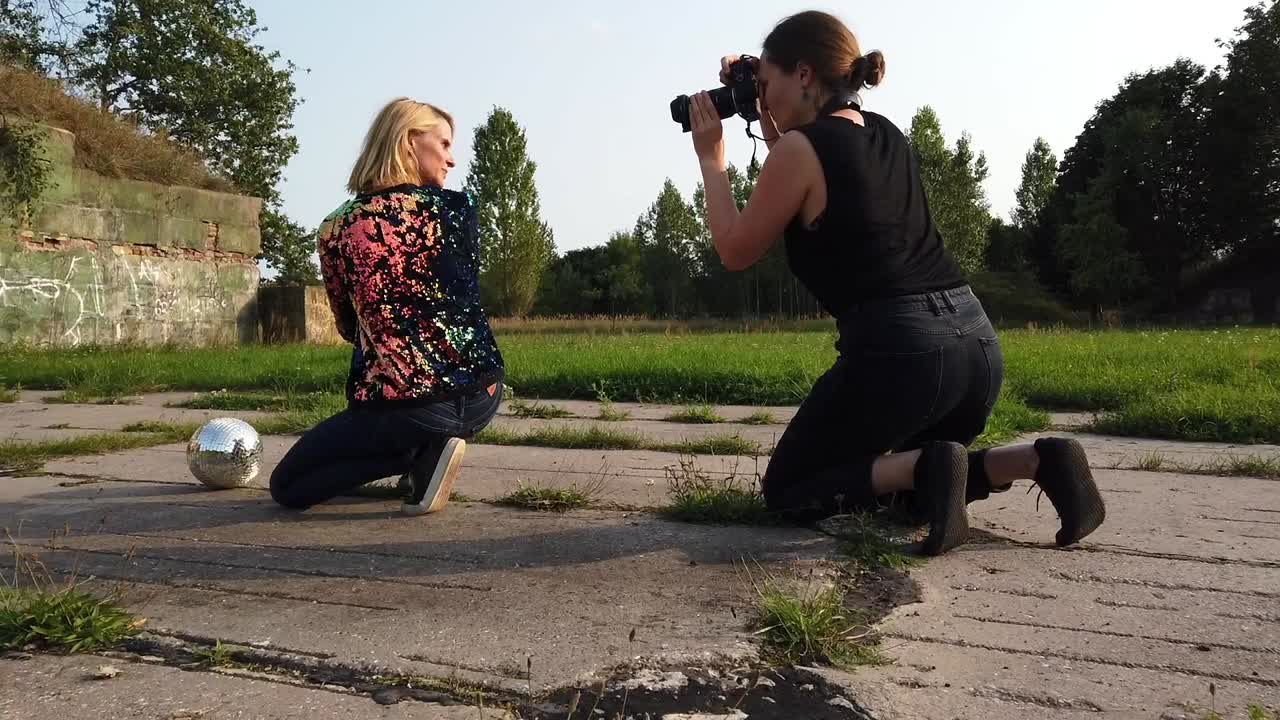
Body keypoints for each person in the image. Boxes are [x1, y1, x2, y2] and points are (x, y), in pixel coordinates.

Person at [686, 11, 1104, 555]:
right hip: (976, 351)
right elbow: (799, 158)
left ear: (806, 74)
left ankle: (936, 465)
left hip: (902, 355)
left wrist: (711, 157)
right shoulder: (885, 134)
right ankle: (1038, 460)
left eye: (768, 87)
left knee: (790, 489)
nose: (764, 100)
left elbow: (736, 250)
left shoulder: (799, 152)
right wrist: (757, 81)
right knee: (893, 486)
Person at [270, 97, 504, 515]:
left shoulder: (339, 225)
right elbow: (463, 300)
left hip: (409, 408)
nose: (452, 159)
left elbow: (347, 326)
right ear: (409, 141)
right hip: (484, 391)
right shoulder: (460, 209)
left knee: (287, 486)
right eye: (445, 144)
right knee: (404, 413)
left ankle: (414, 456)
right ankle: (428, 451)